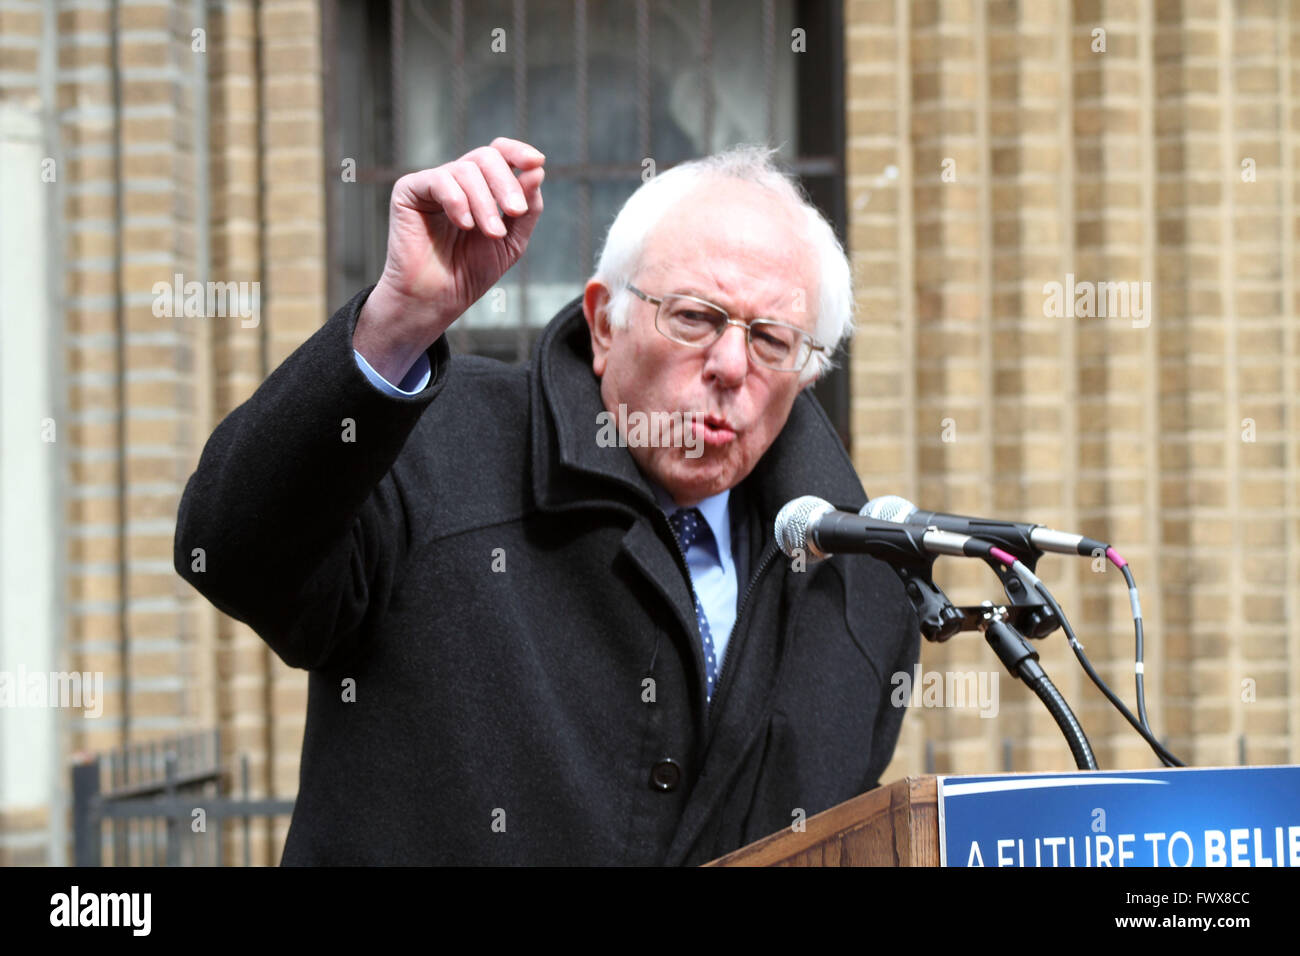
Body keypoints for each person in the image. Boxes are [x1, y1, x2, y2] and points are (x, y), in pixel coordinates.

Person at [174, 137, 920, 865]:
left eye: (772, 340)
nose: (729, 365)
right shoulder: (437, 444)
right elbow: (231, 551)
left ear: (809, 370)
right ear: (604, 323)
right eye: (693, 318)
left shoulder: (862, 591)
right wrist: (396, 322)